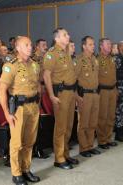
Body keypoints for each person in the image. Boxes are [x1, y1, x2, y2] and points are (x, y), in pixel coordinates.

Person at [0, 36, 41, 185]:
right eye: (27, 45)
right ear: (18, 48)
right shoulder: (11, 65)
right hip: (18, 109)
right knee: (17, 143)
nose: (30, 47)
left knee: (30, 141)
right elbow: (1, 90)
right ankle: (16, 173)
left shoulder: (35, 65)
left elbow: (38, 85)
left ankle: (26, 169)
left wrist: (38, 103)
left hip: (33, 107)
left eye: (30, 44)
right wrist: (6, 113)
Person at [43, 28, 78, 170]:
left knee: (69, 125)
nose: (68, 36)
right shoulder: (52, 54)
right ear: (57, 39)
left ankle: (66, 153)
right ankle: (59, 158)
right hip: (60, 94)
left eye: (67, 33)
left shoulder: (66, 52)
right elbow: (46, 76)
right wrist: (51, 95)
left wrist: (75, 94)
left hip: (70, 92)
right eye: (65, 34)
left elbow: (70, 75)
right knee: (61, 127)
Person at [75, 36, 101, 157]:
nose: (93, 46)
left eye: (93, 44)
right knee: (84, 123)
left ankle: (90, 145)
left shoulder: (95, 59)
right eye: (90, 44)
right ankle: (83, 148)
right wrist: (76, 96)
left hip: (95, 94)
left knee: (93, 122)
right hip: (84, 94)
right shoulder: (79, 60)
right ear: (84, 46)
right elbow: (73, 79)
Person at [96, 38, 118, 149]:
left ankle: (108, 138)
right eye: (108, 44)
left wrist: (116, 89)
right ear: (101, 46)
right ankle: (102, 140)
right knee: (102, 116)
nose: (110, 45)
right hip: (103, 91)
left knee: (111, 116)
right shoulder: (97, 59)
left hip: (113, 90)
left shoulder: (112, 59)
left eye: (110, 43)